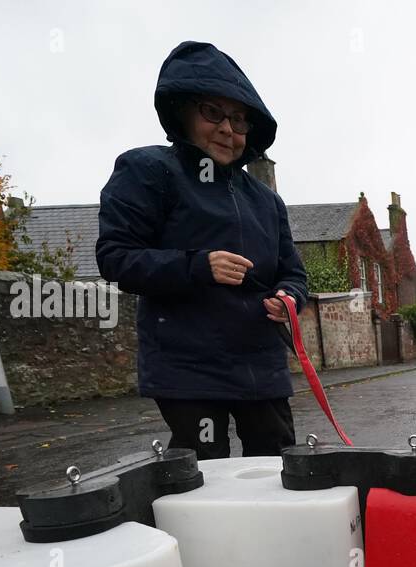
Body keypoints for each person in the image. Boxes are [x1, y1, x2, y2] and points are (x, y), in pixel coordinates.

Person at [96, 40, 308, 458]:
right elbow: (115, 257)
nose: (228, 129)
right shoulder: (149, 170)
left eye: (240, 119)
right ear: (183, 112)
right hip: (188, 369)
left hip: (260, 367)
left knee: (277, 468)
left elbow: (294, 274)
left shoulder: (267, 200)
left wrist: (289, 299)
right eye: (213, 113)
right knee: (205, 478)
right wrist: (198, 267)